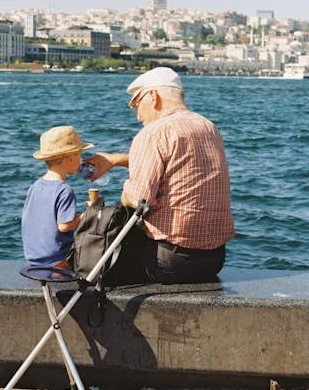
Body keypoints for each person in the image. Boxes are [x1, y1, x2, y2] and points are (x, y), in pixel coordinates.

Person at [85, 67, 235, 284]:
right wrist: (116, 160)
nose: (137, 115)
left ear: (153, 96)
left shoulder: (154, 133)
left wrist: (126, 190)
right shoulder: (208, 127)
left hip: (168, 262)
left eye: (136, 104)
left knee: (92, 246)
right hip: (214, 260)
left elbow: (139, 201)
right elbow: (178, 164)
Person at [21, 125, 93, 269]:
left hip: (33, 257)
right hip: (57, 261)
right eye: (79, 154)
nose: (81, 159)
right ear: (69, 158)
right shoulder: (64, 190)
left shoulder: (35, 186)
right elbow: (64, 226)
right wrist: (88, 214)